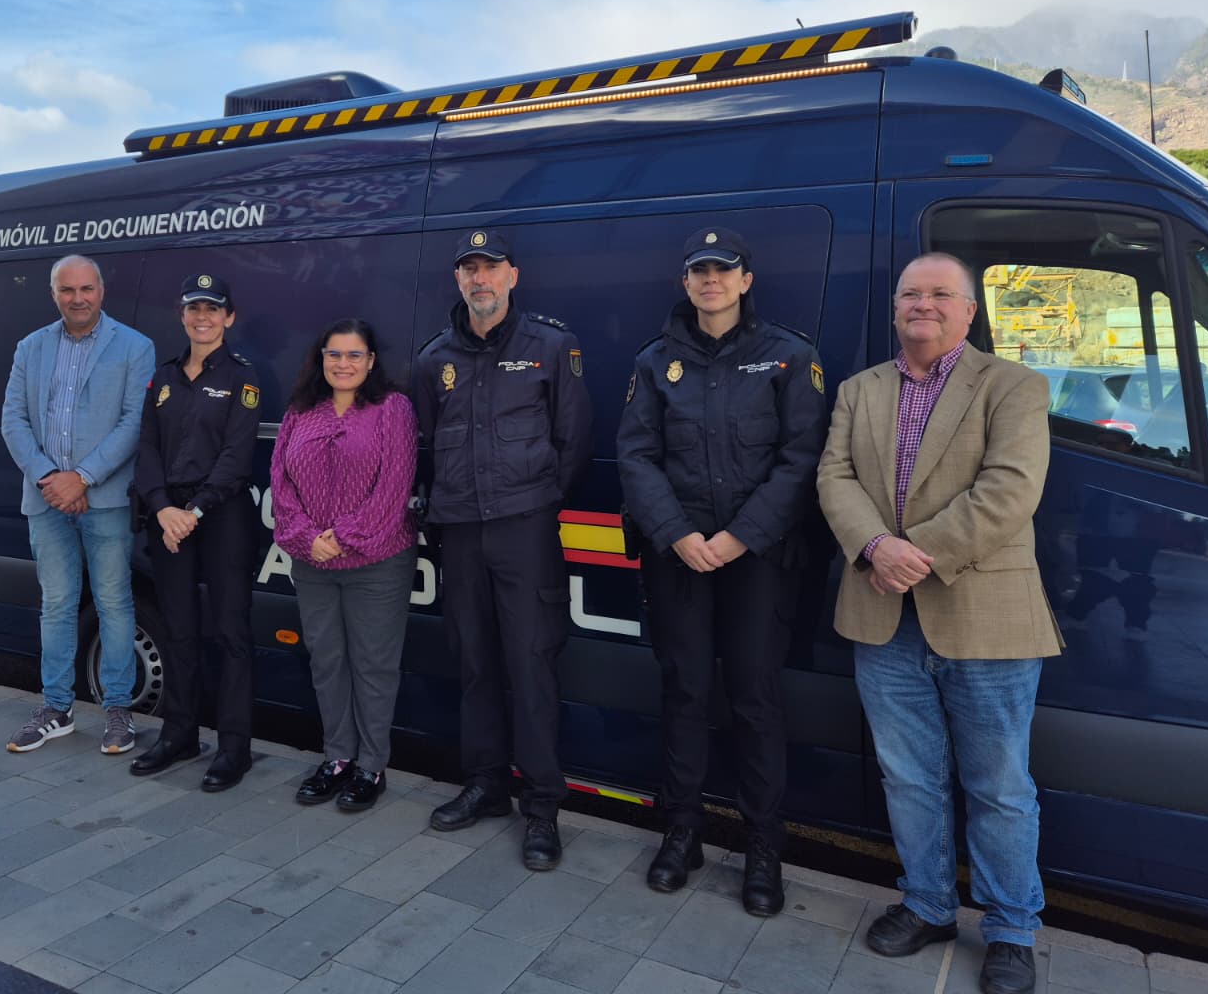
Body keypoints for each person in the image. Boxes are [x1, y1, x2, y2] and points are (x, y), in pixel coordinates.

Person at [817, 252, 1058, 994]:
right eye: (911, 294)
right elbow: (834, 476)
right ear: (895, 308)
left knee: (999, 787)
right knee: (909, 777)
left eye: (941, 294)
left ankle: (1011, 930)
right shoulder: (859, 389)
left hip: (983, 616)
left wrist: (910, 554)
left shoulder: (1013, 385)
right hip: (884, 617)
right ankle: (926, 904)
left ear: (969, 310)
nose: (924, 304)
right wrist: (873, 546)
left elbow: (1010, 489)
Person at [617, 227, 826, 914]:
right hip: (678, 557)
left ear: (745, 280)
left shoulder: (789, 357)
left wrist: (738, 538)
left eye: (723, 270)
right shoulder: (655, 362)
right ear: (685, 283)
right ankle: (682, 832)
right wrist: (678, 535)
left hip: (756, 560)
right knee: (684, 692)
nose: (711, 281)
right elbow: (636, 456)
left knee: (754, 698)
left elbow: (802, 460)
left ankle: (763, 846)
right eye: (699, 271)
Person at [413, 227, 592, 871]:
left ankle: (541, 808)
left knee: (532, 666)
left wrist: (534, 503)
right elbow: (426, 446)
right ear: (458, 280)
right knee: (475, 664)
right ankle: (486, 784)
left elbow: (574, 441)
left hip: (525, 532)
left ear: (512, 275)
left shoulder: (552, 346)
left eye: (490, 267)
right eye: (469, 269)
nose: (479, 278)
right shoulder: (433, 359)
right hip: (461, 533)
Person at [0, 254, 156, 756]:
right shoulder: (30, 347)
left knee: (113, 602)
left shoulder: (135, 347)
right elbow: (13, 420)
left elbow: (133, 423)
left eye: (86, 289)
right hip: (46, 498)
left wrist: (83, 477)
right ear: (54, 295)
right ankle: (56, 708)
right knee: (57, 603)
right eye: (67, 290)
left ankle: (118, 710)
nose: (78, 298)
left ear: (101, 291)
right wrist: (50, 478)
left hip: (105, 499)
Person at [271, 319, 418, 813]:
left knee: (373, 664)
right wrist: (306, 538)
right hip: (313, 562)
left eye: (355, 354)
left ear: (371, 361)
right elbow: (280, 482)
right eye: (334, 354)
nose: (343, 363)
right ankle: (337, 758)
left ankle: (371, 766)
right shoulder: (300, 411)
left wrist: (346, 537)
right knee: (327, 661)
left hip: (378, 562)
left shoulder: (392, 408)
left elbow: (395, 485)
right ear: (321, 358)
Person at [129, 273, 263, 792]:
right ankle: (179, 734)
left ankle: (234, 748)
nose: (202, 317)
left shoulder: (242, 378)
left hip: (221, 516)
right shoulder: (163, 377)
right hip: (169, 518)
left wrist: (194, 512)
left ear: (229, 317)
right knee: (179, 629)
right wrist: (162, 508)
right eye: (194, 308)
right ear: (182, 315)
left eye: (212, 309)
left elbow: (236, 456)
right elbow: (146, 449)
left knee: (231, 633)